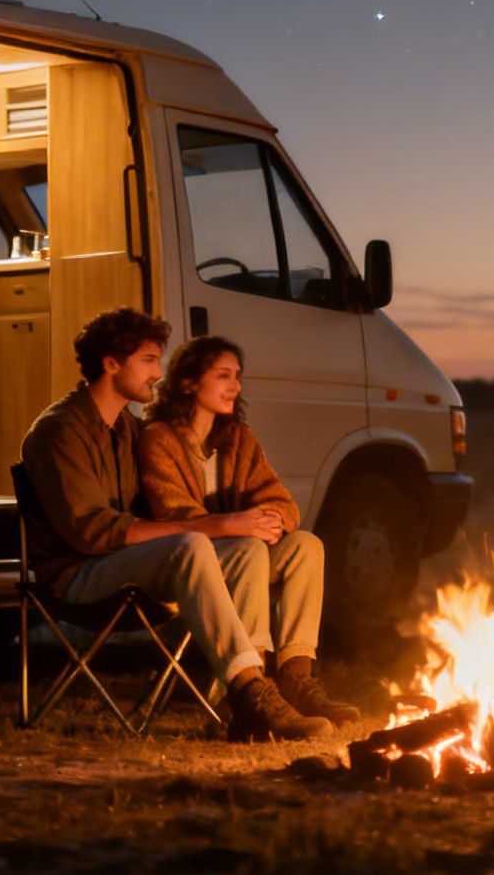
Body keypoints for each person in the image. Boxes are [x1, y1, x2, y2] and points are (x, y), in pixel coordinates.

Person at [18, 308, 334, 741]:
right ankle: (250, 691)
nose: (157, 373)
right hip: (78, 575)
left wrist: (246, 524)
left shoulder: (128, 429)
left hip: (128, 564)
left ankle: (258, 696)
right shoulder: (61, 430)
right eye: (148, 360)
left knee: (257, 548)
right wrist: (222, 523)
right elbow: (92, 532)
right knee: (193, 544)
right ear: (112, 364)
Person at [137, 335, 360, 726]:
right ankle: (252, 684)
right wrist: (237, 527)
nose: (235, 387)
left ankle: (295, 677)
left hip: (242, 554)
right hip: (189, 563)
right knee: (250, 550)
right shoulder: (158, 439)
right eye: (224, 376)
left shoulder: (238, 439)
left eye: (237, 377)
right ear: (189, 382)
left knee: (306, 545)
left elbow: (282, 502)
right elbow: (171, 510)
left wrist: (268, 521)